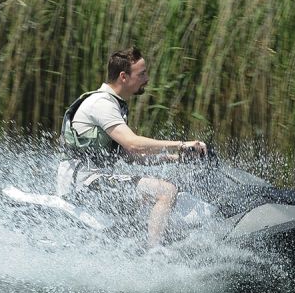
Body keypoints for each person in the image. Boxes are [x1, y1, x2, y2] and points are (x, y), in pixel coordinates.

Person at [56, 47, 206, 247]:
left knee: (151, 199)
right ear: (123, 77)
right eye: (141, 74)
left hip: (91, 181)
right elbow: (133, 144)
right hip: (81, 185)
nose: (147, 79)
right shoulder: (102, 104)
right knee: (167, 191)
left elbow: (134, 157)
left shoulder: (114, 104)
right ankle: (154, 254)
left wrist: (177, 158)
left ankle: (141, 246)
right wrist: (181, 145)